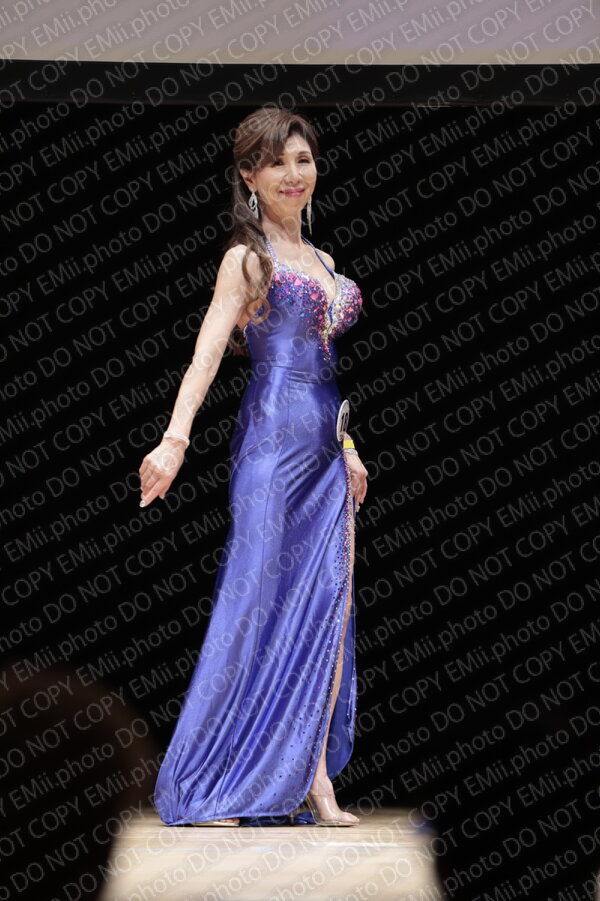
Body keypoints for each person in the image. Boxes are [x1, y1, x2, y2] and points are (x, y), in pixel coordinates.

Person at [139, 106, 368, 827]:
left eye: (303, 159)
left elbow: (325, 370)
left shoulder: (325, 263)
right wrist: (175, 439)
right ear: (249, 176)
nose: (293, 174)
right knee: (254, 604)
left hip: (328, 451)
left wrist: (351, 449)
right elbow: (208, 351)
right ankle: (211, 779)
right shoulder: (248, 259)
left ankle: (313, 777)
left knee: (329, 606)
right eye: (276, 163)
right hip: (271, 446)